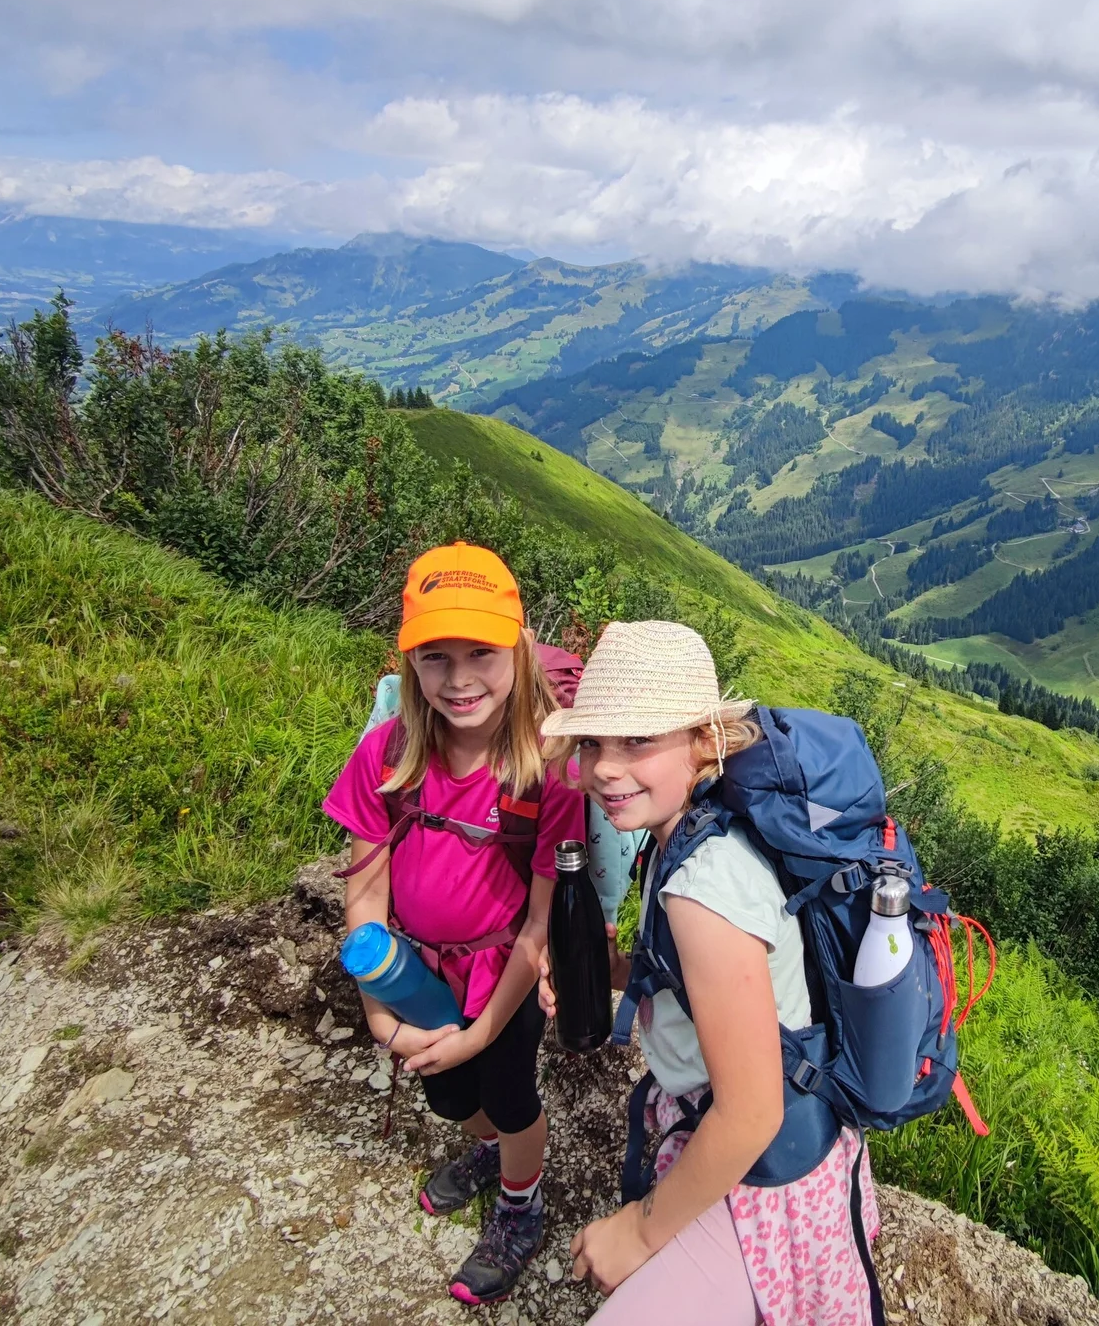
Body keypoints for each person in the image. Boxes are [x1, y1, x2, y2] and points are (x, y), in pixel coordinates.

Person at [539, 621, 881, 1326]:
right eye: (594, 741)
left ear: (703, 741)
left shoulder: (704, 886)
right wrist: (619, 970)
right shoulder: (693, 828)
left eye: (638, 740)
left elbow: (752, 1111)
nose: (604, 766)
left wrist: (637, 1230)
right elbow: (715, 987)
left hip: (760, 1178)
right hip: (759, 1141)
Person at [323, 541, 584, 1306]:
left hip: (500, 972)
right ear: (410, 664)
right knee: (446, 1094)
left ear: (520, 648)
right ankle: (489, 1150)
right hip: (415, 969)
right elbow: (366, 893)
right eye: (436, 656)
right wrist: (377, 1008)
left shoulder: (546, 772)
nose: (460, 678)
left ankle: (518, 1201)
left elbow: (538, 925)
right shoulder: (388, 751)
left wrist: (478, 1030)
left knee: (507, 1092)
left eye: (481, 651)